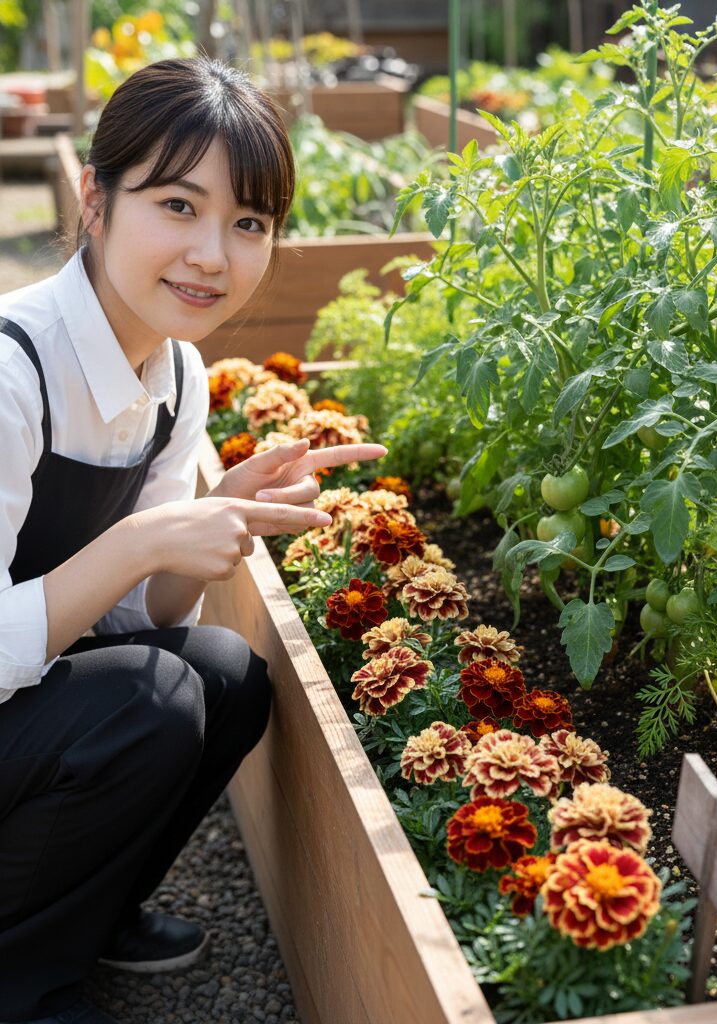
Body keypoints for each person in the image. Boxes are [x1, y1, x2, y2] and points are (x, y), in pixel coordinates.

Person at [0, 58, 385, 1024]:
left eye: (249, 223)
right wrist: (141, 541)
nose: (214, 253)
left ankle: (85, 915)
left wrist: (215, 530)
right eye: (178, 205)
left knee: (224, 674)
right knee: (155, 695)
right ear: (95, 198)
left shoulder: (176, 374)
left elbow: (133, 617)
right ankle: (18, 981)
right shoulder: (13, 373)